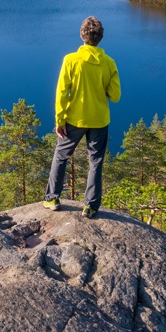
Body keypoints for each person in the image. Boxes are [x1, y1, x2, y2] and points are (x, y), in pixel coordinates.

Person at [43, 15, 121, 218]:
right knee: (95, 161)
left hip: (74, 119)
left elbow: (61, 93)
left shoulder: (71, 60)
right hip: (99, 120)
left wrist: (59, 121)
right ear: (100, 37)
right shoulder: (109, 63)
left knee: (61, 156)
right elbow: (116, 96)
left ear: (82, 35)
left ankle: (52, 198)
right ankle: (91, 206)